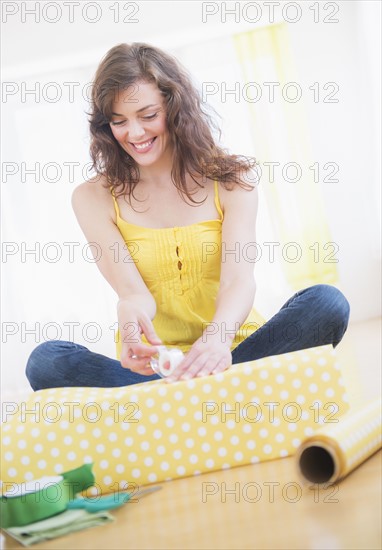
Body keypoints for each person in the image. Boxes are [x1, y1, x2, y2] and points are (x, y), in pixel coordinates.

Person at [26, 43, 350, 391]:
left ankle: (181, 403)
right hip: (157, 371)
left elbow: (237, 282)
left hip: (233, 353)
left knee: (326, 303)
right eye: (119, 121)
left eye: (148, 116)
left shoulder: (231, 181)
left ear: (175, 107)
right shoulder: (92, 198)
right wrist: (128, 313)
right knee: (46, 360)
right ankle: (220, 395)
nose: (134, 134)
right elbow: (134, 294)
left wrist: (216, 341)